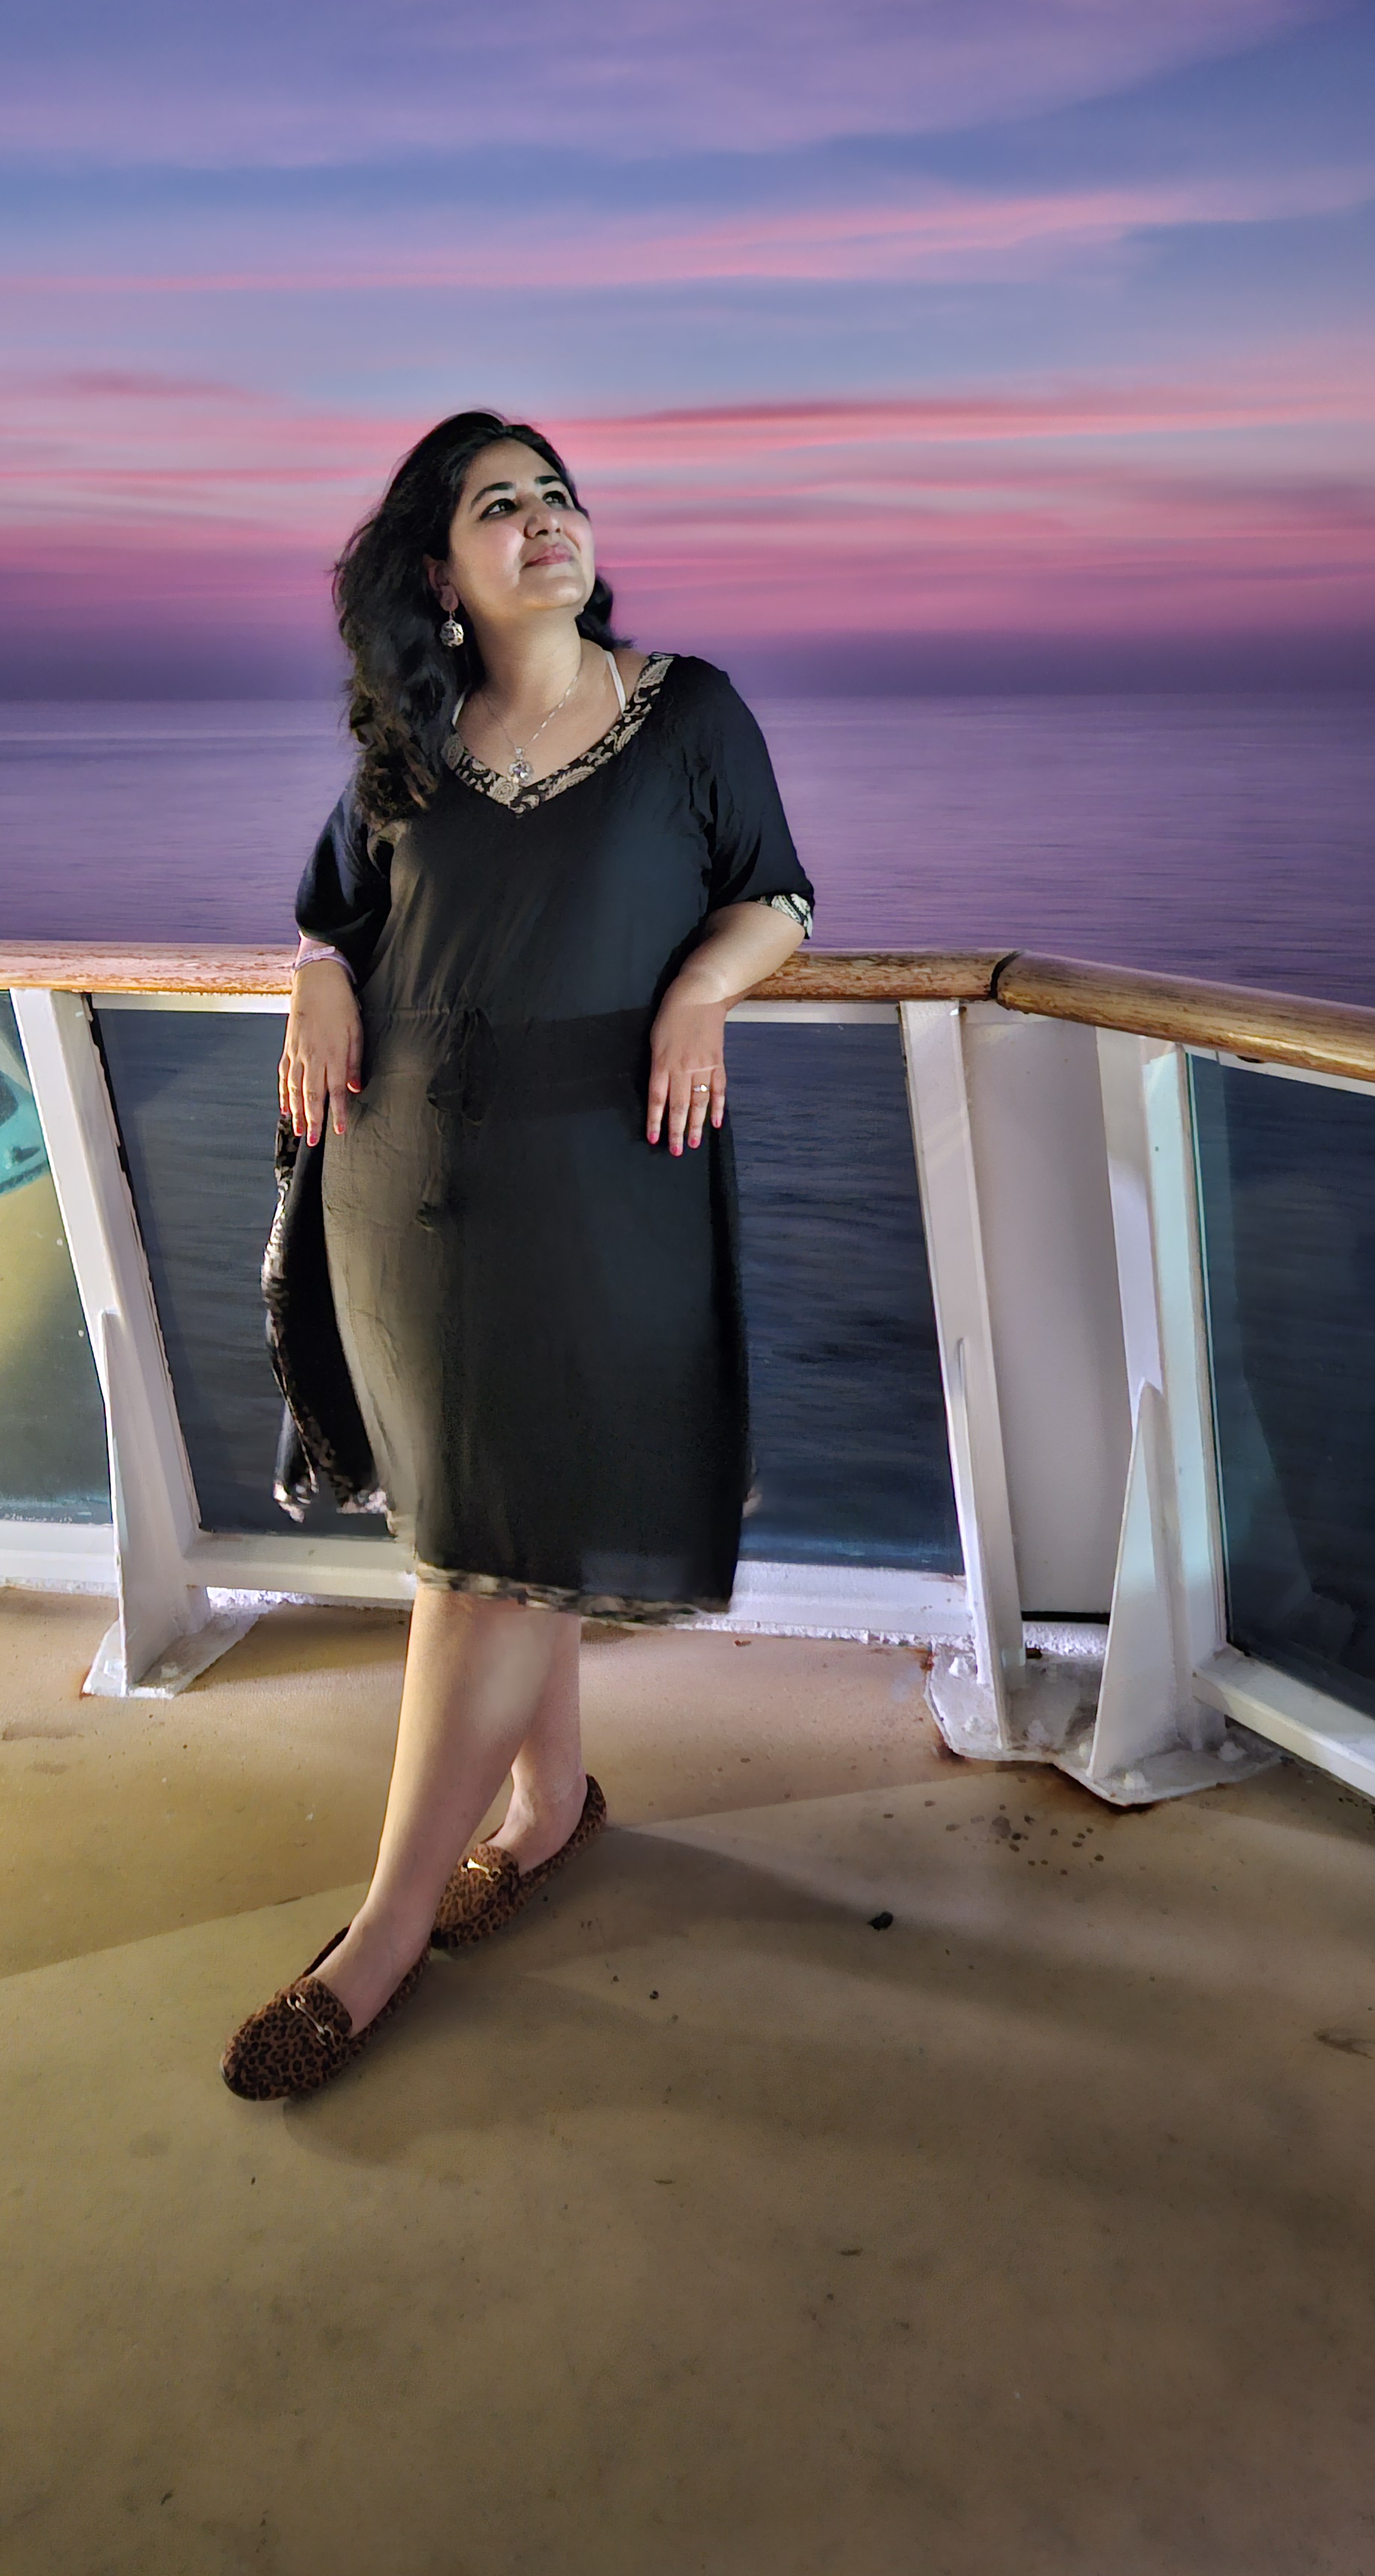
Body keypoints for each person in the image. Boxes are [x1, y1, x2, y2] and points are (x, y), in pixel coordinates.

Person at [221, 411, 813, 2099]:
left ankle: (382, 1933)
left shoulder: (687, 711)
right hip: (400, 1175)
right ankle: (544, 1811)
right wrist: (315, 971)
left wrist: (699, 991)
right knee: (484, 1525)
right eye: (501, 505)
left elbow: (778, 895)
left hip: (601, 1178)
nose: (545, 520)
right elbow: (336, 909)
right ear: (440, 571)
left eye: (557, 495)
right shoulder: (411, 743)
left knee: (485, 1544)